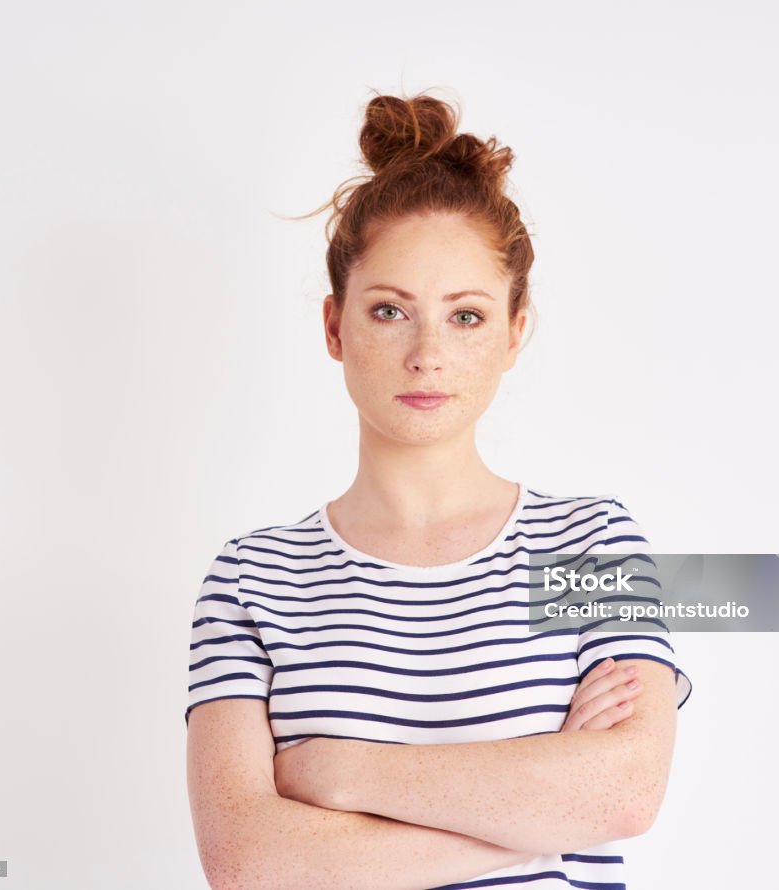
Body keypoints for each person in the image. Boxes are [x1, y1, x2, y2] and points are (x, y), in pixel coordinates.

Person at [185, 90, 693, 890]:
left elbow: (626, 791)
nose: (427, 354)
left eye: (466, 316)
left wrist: (340, 773)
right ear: (334, 326)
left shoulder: (590, 545)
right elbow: (249, 864)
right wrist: (540, 814)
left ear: (515, 331)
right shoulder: (252, 578)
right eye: (390, 310)